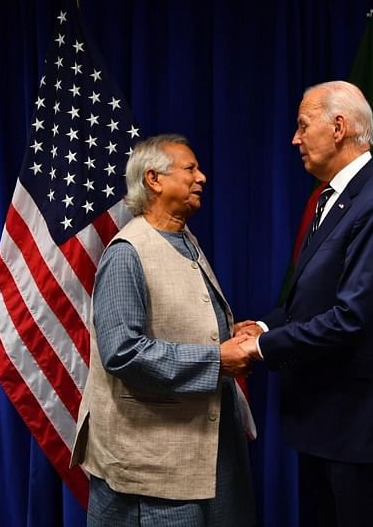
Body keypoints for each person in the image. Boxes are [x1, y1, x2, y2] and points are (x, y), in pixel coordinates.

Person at [236, 81, 373, 526]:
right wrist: (263, 327)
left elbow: (350, 318)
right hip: (325, 420)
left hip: (359, 425)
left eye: (303, 126)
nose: (294, 139)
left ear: (338, 127)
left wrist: (260, 349)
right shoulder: (333, 200)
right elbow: (313, 300)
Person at [71, 134, 255, 526]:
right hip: (153, 472)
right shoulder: (126, 253)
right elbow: (123, 352)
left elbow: (178, 317)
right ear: (154, 179)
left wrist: (228, 330)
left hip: (204, 456)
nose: (202, 177)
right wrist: (217, 359)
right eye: (190, 169)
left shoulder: (184, 238)